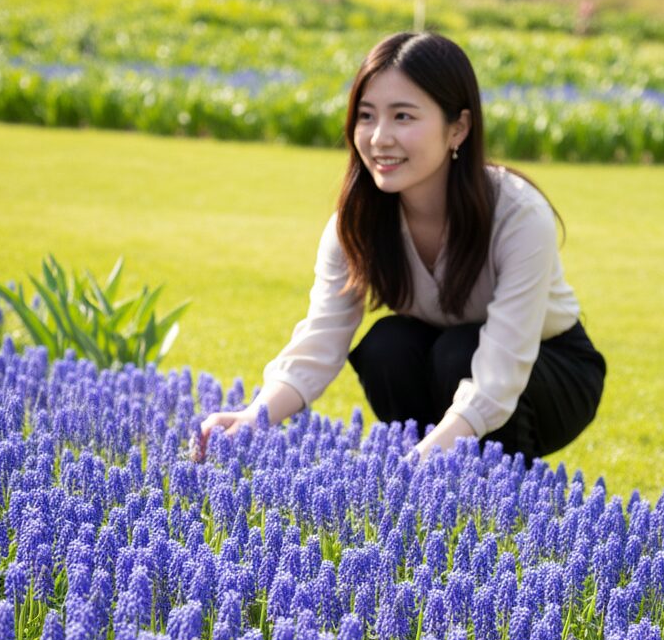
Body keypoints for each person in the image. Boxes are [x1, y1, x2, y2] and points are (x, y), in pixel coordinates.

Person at [198, 31, 606, 462]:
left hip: (549, 368)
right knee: (386, 346)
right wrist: (253, 417)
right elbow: (321, 339)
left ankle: (494, 488)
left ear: (459, 128)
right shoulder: (356, 223)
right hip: (452, 358)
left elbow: (500, 366)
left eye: (403, 117)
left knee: (459, 352)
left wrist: (426, 456)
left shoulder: (518, 214)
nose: (379, 138)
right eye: (367, 116)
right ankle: (436, 492)